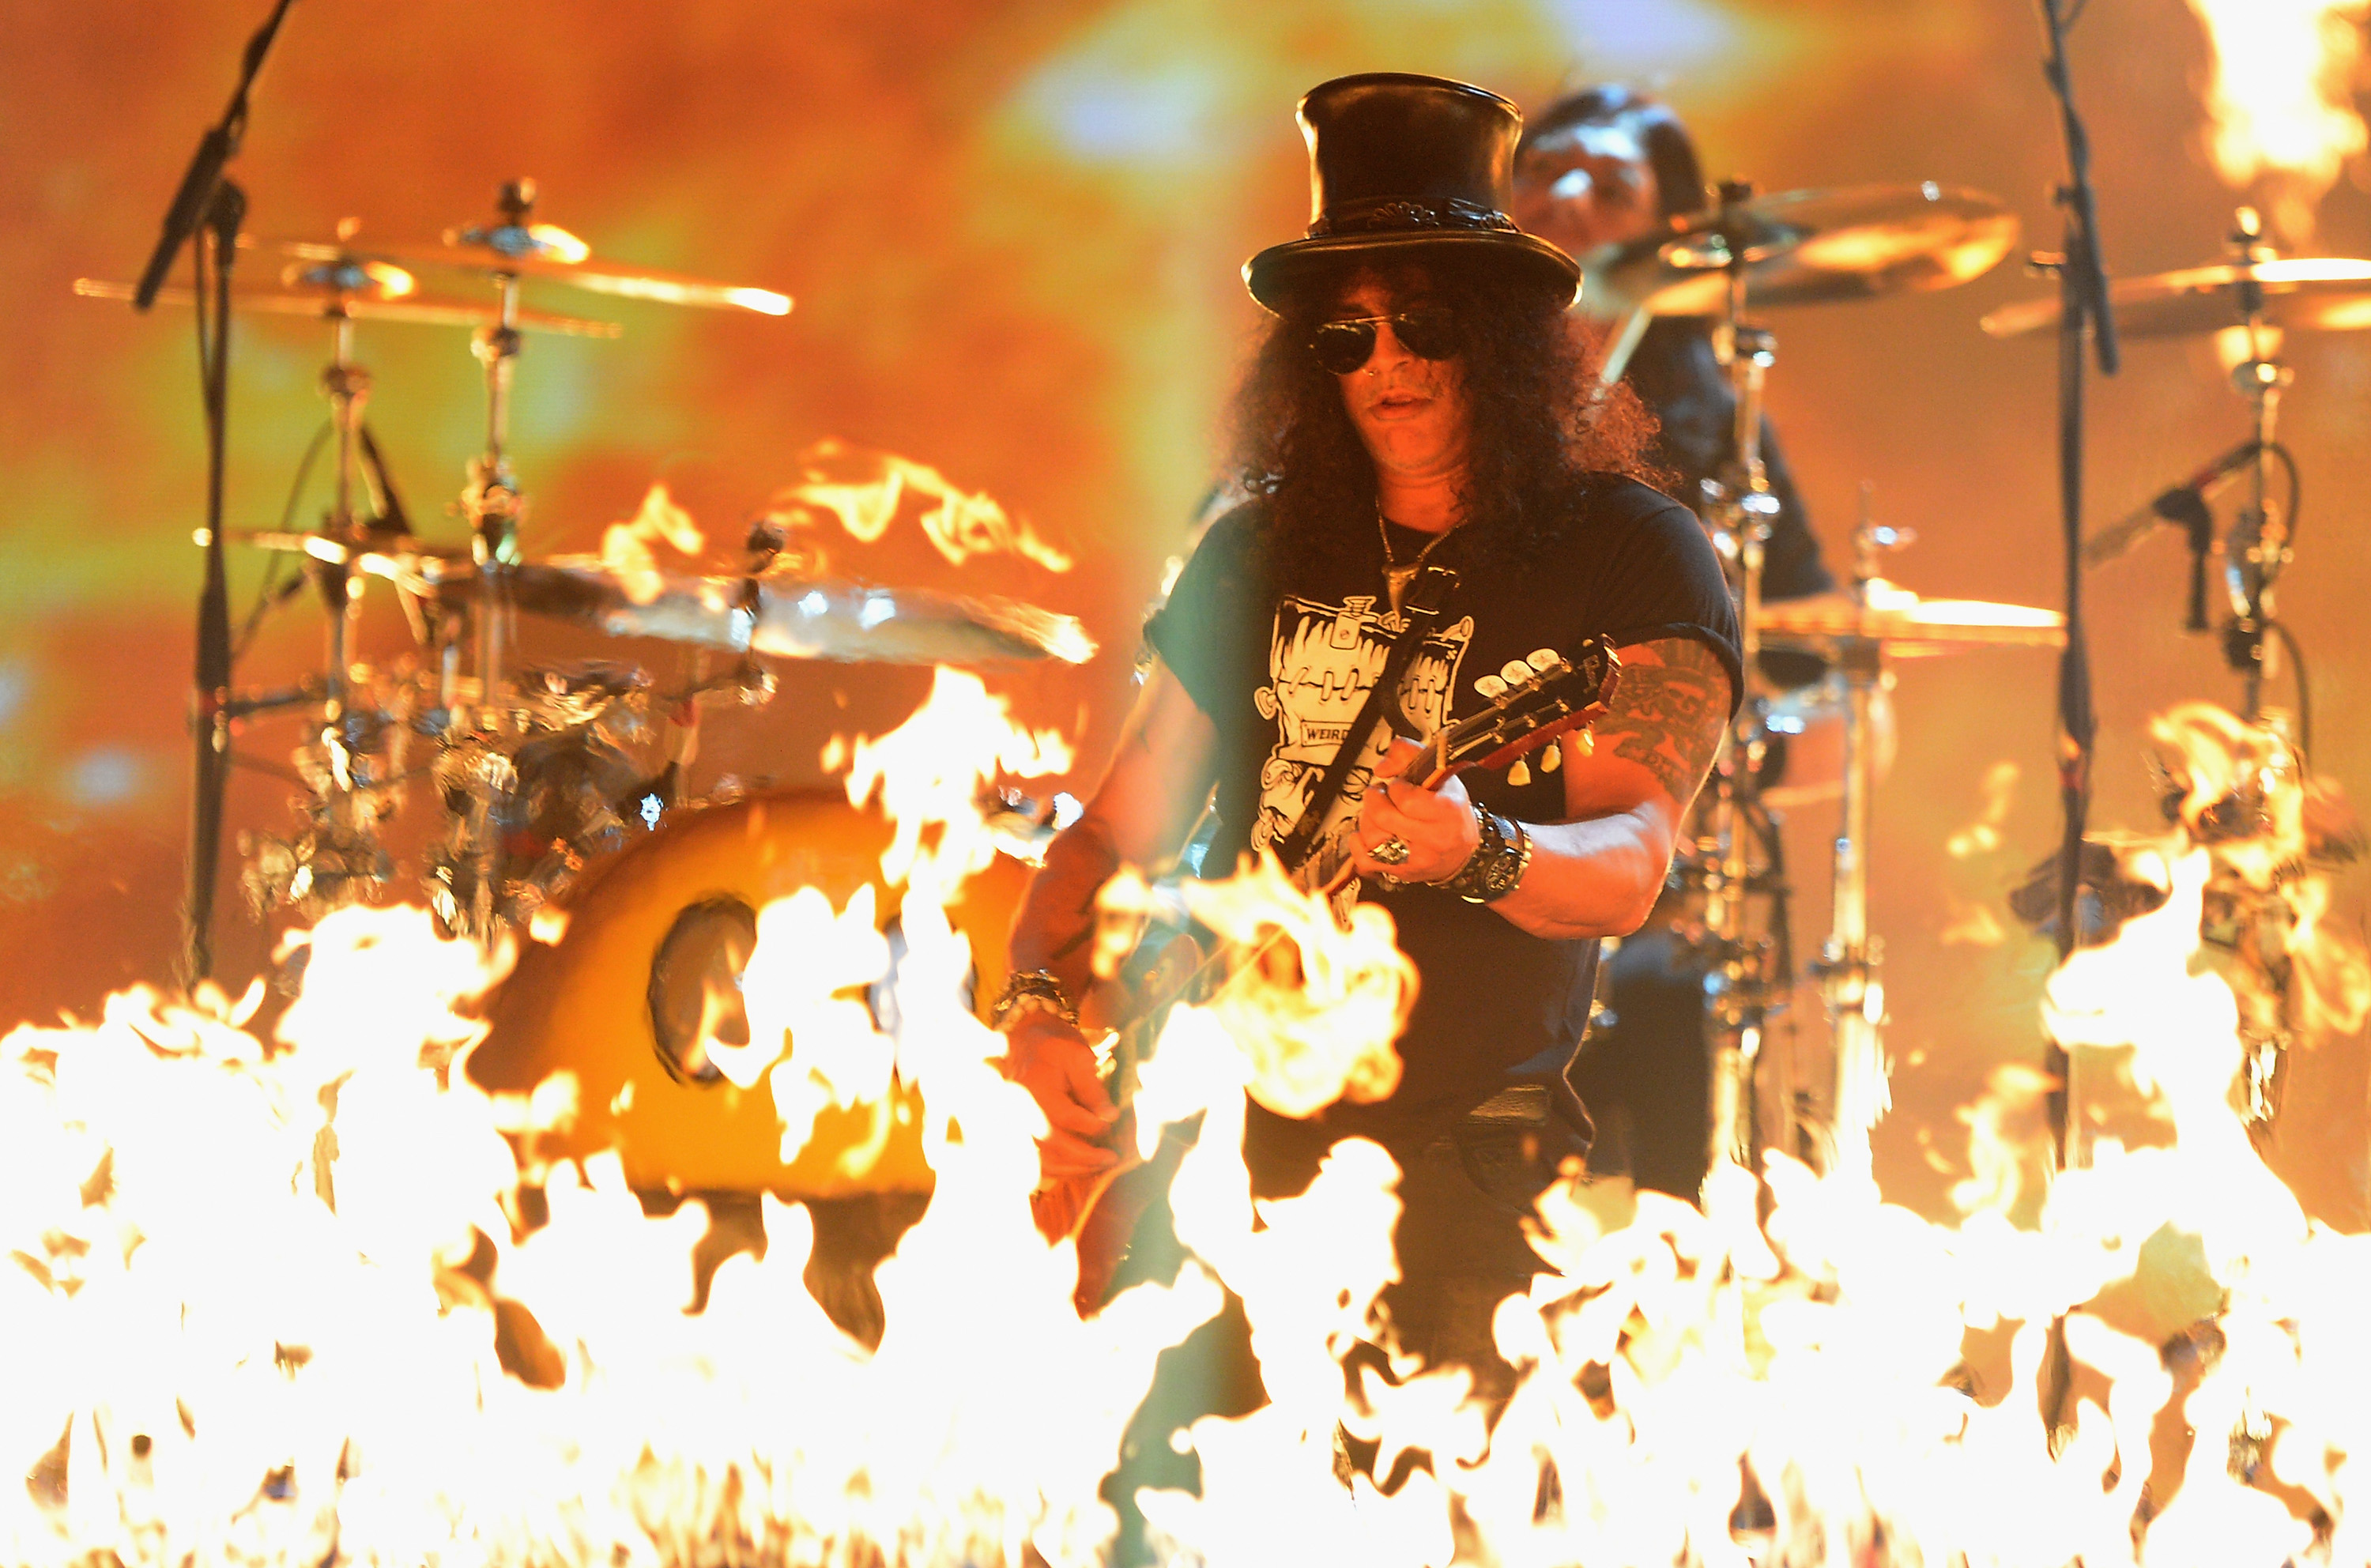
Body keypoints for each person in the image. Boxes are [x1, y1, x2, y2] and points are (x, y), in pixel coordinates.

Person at [992, 72, 1740, 1532]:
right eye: (1347, 335)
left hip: (1460, 1168)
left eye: (1426, 324)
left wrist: (1480, 847)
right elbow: (1107, 835)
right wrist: (1035, 1004)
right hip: (1213, 1151)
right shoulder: (1260, 552)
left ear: (1505, 341)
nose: (1386, 360)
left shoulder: (1630, 554)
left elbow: (1632, 857)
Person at [1511, 85, 1850, 1199]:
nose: (1566, 198)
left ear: (1670, 237)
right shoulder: (1422, 391)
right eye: (1540, 171)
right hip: (1446, 861)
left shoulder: (1720, 437)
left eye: (1611, 188)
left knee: (1670, 1025)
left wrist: (1725, 760)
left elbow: (1836, 705)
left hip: (1647, 891)